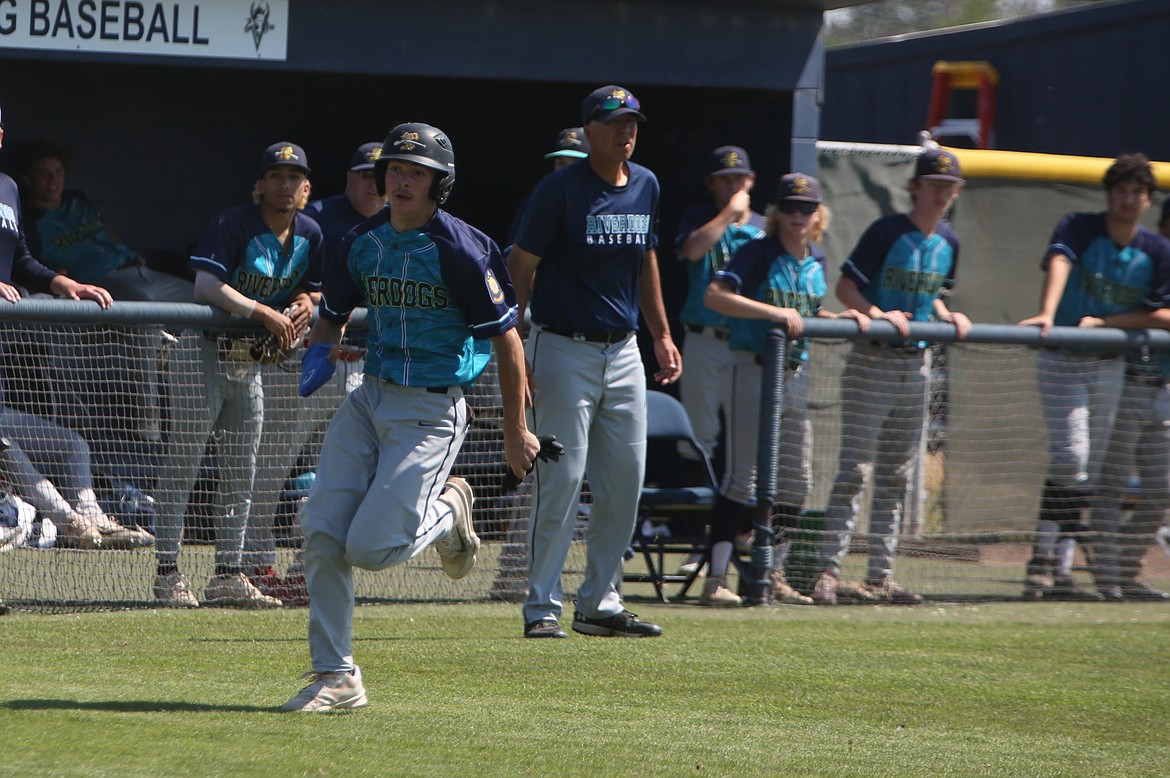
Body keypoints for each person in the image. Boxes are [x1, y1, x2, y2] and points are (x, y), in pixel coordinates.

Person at [281, 122, 538, 712]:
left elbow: (508, 342)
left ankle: (449, 512)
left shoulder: (464, 250)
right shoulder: (360, 241)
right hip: (369, 398)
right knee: (321, 530)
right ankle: (337, 678)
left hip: (430, 409)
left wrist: (515, 429)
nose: (401, 180)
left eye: (416, 173)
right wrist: (321, 347)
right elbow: (335, 313)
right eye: (395, 168)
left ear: (438, 184)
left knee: (370, 548)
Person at [509, 85, 681, 639]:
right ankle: (541, 606)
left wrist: (661, 334)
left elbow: (646, 259)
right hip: (562, 345)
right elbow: (519, 264)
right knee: (561, 480)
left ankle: (600, 602)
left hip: (624, 347)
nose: (625, 131)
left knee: (626, 481)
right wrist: (515, 343)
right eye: (613, 122)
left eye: (632, 122)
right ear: (588, 131)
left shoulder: (648, 184)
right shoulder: (560, 189)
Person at [150, 141, 322, 609]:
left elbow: (318, 289)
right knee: (183, 465)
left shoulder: (310, 232)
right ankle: (168, 572)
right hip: (202, 352)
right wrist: (263, 311)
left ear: (305, 187)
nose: (285, 185)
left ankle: (228, 573)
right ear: (261, 184)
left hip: (249, 364)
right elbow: (206, 285)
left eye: (294, 177)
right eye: (276, 176)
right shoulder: (234, 223)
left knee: (241, 471)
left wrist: (309, 300)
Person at [811, 147, 971, 606]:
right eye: (934, 184)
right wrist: (877, 313)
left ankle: (881, 576)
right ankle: (828, 571)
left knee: (897, 475)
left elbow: (933, 295)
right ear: (915, 187)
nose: (942, 194)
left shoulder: (949, 242)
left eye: (950, 186)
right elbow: (846, 288)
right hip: (873, 357)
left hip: (915, 363)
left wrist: (948, 312)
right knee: (854, 470)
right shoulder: (887, 230)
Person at [703, 173, 867, 607]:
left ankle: (772, 572)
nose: (798, 215)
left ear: (818, 214)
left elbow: (806, 312)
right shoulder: (757, 252)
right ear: (775, 212)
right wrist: (773, 312)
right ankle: (716, 578)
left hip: (794, 374)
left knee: (797, 479)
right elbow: (715, 296)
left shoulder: (817, 258)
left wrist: (836, 319)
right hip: (750, 368)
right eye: (789, 208)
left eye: (806, 208)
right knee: (742, 477)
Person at [1019, 153, 1170, 600]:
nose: (1127, 199)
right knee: (1071, 456)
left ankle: (1058, 569)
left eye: (1136, 192)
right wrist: (1048, 312)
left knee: (1087, 470)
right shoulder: (1079, 226)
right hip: (1064, 356)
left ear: (1147, 200)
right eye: (1120, 190)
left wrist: (1106, 324)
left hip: (1111, 364)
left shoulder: (1156, 249)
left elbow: (1156, 311)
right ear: (1108, 194)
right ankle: (1043, 558)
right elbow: (1060, 261)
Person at [243, 141, 386, 604]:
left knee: (350, 473)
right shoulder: (319, 216)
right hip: (311, 359)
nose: (372, 183)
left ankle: (310, 568)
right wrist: (315, 306)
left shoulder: (406, 222)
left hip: (369, 368)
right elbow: (293, 284)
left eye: (379, 175)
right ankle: (251, 562)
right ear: (348, 177)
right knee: (272, 463)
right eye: (364, 174)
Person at [0, 105, 146, 548]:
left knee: (72, 446)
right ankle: (68, 523)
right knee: (3, 447)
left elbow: (20, 257)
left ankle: (92, 518)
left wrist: (66, 283)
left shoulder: (7, 186)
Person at [16, 140, 195, 450]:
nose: (52, 180)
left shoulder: (77, 200)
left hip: (137, 268)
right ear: (29, 178)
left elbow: (106, 230)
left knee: (203, 300)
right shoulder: (29, 218)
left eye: (57, 172)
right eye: (44, 173)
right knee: (148, 318)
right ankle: (149, 423)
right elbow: (32, 265)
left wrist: (124, 250)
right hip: (105, 282)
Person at [490, 126, 592, 603]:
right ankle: (517, 575)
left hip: (583, 352)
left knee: (558, 466)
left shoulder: (602, 210)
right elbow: (515, 281)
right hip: (537, 345)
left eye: (573, 161)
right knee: (540, 462)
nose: (562, 170)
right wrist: (523, 357)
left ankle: (521, 574)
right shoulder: (544, 205)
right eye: (558, 162)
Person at [676, 145, 766, 461]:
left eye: (738, 179)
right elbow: (692, 251)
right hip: (705, 337)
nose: (732, 186)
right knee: (698, 436)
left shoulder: (766, 228)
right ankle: (695, 508)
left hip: (749, 344)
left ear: (751, 180)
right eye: (724, 179)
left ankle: (737, 509)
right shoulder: (698, 219)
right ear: (711, 183)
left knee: (749, 433)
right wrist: (729, 214)